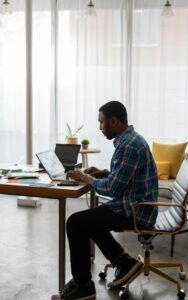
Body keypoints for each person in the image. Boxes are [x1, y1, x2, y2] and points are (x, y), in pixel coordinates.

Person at [51, 101, 158, 300]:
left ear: (114, 121)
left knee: (76, 223)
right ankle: (123, 262)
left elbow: (113, 189)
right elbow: (124, 178)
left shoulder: (128, 146)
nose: (100, 128)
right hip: (137, 204)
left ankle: (83, 287)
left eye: (102, 123)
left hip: (137, 211)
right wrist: (103, 173)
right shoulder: (131, 140)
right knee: (90, 220)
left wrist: (86, 178)